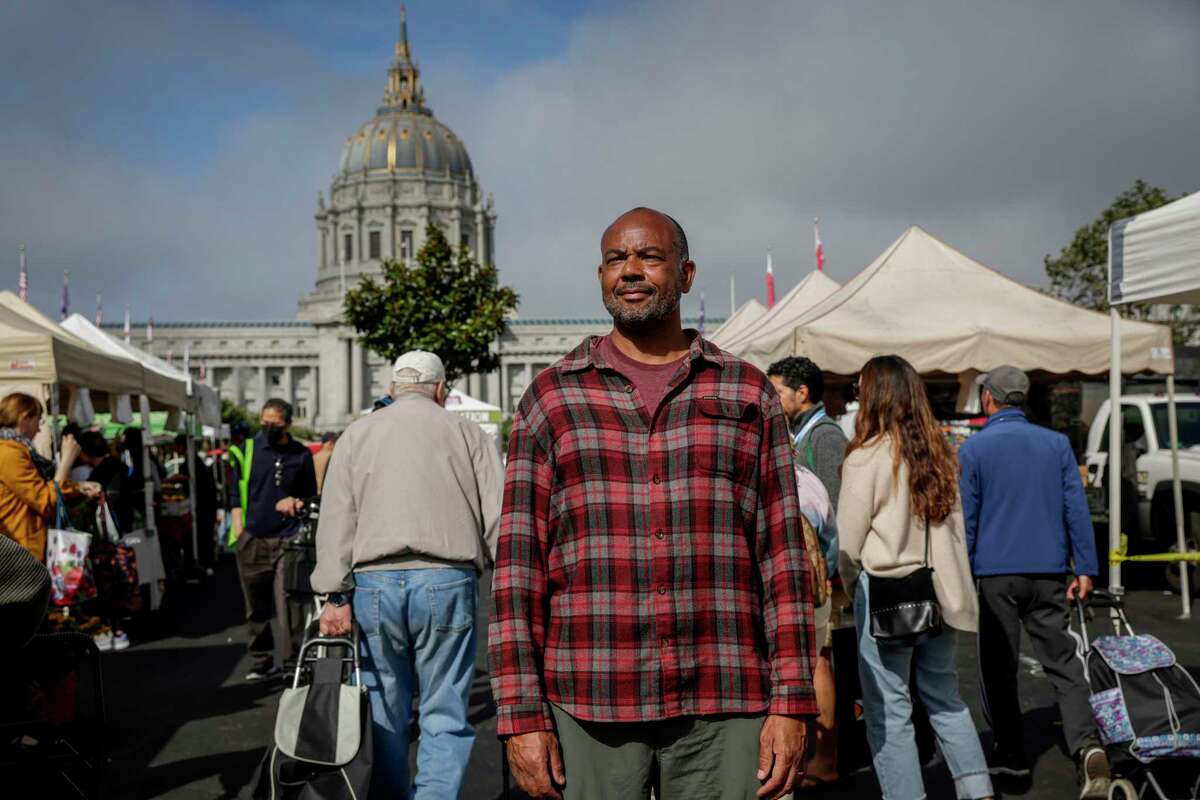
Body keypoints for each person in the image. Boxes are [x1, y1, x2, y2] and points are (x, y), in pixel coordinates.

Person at [490, 207, 818, 800]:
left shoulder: (744, 391)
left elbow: (784, 558)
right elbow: (517, 568)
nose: (631, 271)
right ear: (601, 275)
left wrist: (793, 699)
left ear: (687, 274)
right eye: (617, 259)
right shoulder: (553, 396)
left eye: (650, 256)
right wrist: (520, 713)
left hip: (725, 695)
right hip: (590, 695)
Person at [313, 350, 503, 799]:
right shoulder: (466, 431)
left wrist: (333, 595)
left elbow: (337, 519)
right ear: (441, 390)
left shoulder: (356, 435)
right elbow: (499, 514)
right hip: (447, 577)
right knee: (445, 710)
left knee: (383, 709)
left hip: (374, 582)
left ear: (391, 389)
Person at [838, 355, 993, 800]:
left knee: (890, 709)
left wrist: (849, 587)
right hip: (941, 592)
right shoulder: (941, 453)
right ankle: (977, 789)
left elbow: (848, 543)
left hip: (886, 592)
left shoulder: (866, 458)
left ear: (873, 396)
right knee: (945, 697)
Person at [959, 366, 1110, 798]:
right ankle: (1085, 745)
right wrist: (1085, 566)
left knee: (999, 668)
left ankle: (1012, 757)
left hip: (995, 573)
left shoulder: (975, 450)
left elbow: (967, 519)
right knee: (1063, 661)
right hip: (1048, 570)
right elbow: (1075, 509)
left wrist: (965, 571)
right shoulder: (1056, 444)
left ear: (990, 398)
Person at [766, 355, 847, 788]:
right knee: (815, 664)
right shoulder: (805, 475)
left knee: (811, 666)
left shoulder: (825, 438)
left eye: (779, 390)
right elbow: (831, 529)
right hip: (815, 586)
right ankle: (818, 758)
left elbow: (837, 519)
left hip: (799, 587)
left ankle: (821, 759)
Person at [233, 398, 317, 681]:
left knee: (289, 604)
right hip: (252, 538)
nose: (268, 428)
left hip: (288, 539)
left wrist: (298, 502)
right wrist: (238, 529)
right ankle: (261, 658)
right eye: (264, 423)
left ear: (288, 424)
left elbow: (311, 497)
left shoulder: (301, 455)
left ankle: (293, 661)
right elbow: (234, 493)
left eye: (275, 424)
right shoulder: (248, 450)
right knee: (256, 605)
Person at [0, 393, 99, 560]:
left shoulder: (15, 451)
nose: (39, 429)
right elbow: (45, 502)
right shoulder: (9, 454)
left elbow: (38, 490)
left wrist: (77, 488)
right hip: (21, 554)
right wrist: (66, 461)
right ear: (25, 417)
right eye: (38, 421)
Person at [174, 433, 219, 574]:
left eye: (176, 446)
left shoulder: (192, 461)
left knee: (203, 534)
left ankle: (206, 563)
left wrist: (175, 478)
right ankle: (206, 562)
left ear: (181, 446)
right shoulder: (193, 459)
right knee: (204, 534)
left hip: (203, 505)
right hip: (205, 504)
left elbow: (191, 479)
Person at [77, 431, 135, 533]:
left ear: (86, 451)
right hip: (126, 519)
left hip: (114, 523)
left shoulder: (100, 472)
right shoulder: (116, 463)